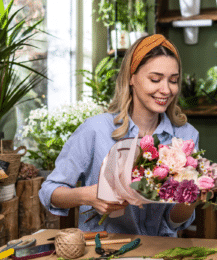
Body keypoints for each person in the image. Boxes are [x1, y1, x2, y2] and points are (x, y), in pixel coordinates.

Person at [39, 34, 201, 237]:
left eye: (173, 80)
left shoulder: (185, 136)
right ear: (131, 77)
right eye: (155, 79)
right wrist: (88, 196)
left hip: (159, 252)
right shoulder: (96, 130)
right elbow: (49, 192)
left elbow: (173, 221)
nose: (166, 90)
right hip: (103, 251)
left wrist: (192, 197)